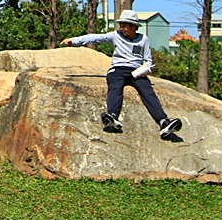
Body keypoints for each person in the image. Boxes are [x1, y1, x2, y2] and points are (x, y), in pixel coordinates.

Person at [60, 9, 183, 139]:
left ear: (134, 26)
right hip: (117, 69)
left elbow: (148, 61)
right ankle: (112, 116)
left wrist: (142, 71)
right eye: (121, 25)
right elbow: (94, 37)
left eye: (125, 25)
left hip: (135, 71)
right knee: (115, 87)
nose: (122, 28)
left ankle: (164, 122)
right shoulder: (116, 35)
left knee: (148, 91)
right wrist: (73, 41)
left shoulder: (143, 39)